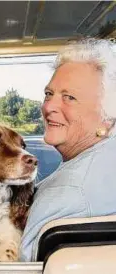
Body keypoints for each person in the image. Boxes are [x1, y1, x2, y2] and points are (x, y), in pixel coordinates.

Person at [19, 38, 116, 261]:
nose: (48, 107)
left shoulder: (69, 194)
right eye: (48, 94)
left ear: (108, 116)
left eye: (69, 97)